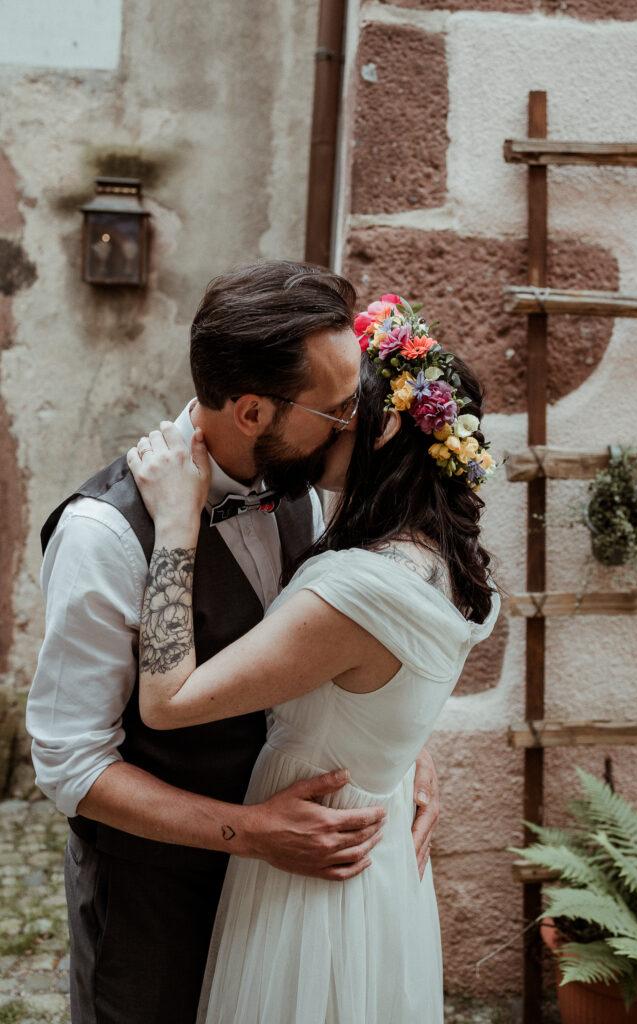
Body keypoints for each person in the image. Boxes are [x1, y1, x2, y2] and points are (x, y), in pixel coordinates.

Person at [27, 263, 440, 1024]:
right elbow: (70, 761)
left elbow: (337, 648)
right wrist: (251, 834)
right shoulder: (104, 535)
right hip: (159, 898)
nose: (357, 421)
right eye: (338, 407)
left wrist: (408, 756)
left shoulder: (310, 485)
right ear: (252, 411)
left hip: (288, 899)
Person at [127, 292, 500, 1024]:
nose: (318, 434)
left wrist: (177, 524)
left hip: (313, 863)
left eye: (338, 420)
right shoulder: (447, 564)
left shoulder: (355, 589)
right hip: (376, 845)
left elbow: (166, 702)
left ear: (381, 431)